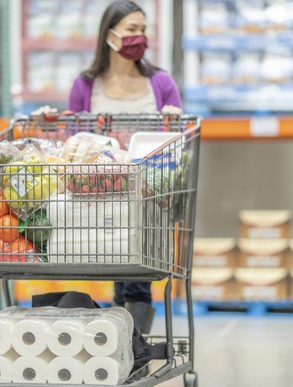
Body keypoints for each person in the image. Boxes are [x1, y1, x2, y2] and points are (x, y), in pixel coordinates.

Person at [67, 0, 183, 334]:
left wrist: (172, 123)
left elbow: (176, 145)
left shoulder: (160, 83)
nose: (139, 37)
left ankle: (128, 334)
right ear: (110, 34)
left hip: (146, 194)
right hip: (99, 192)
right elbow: (73, 144)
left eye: (143, 30)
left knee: (136, 270)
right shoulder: (86, 85)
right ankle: (126, 336)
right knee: (119, 262)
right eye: (132, 30)